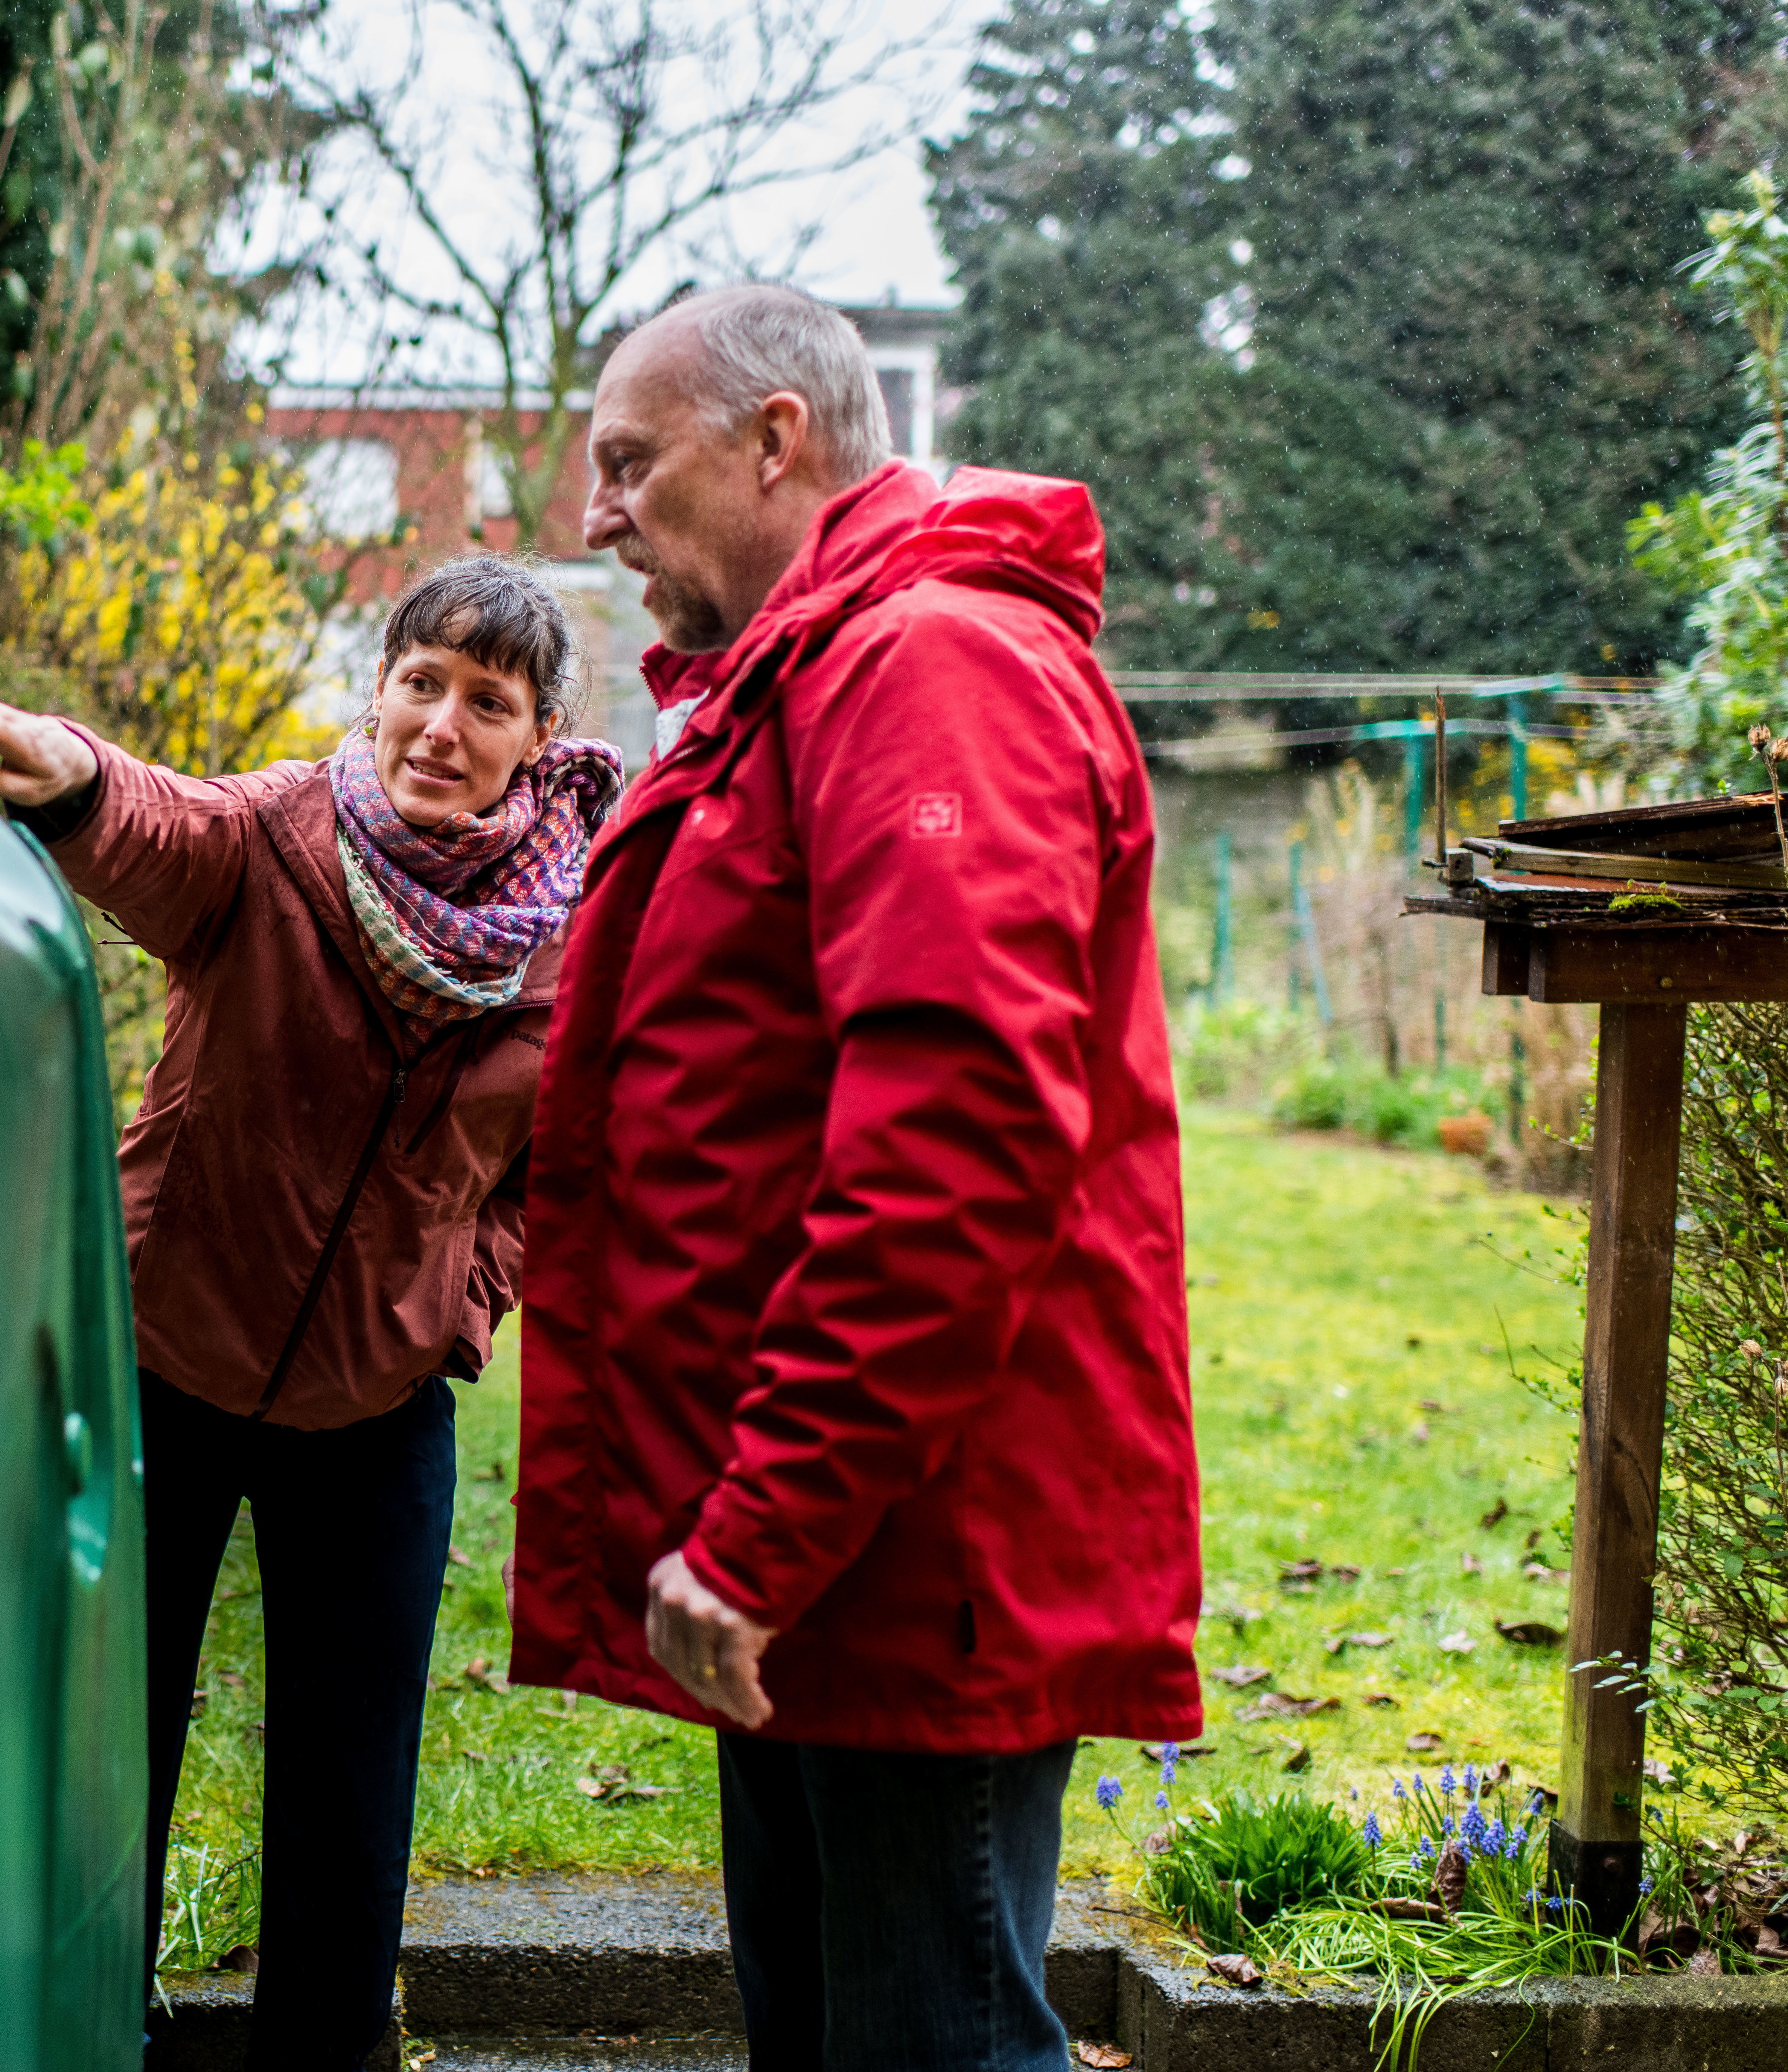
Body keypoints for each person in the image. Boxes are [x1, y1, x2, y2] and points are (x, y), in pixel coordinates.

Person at [507, 284, 1203, 2071]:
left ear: (775, 440)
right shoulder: (803, 677)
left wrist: (766, 1529)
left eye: (630, 463)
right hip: (828, 1549)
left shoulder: (927, 667)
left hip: (898, 1547)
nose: (598, 514)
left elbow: (955, 1142)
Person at [0, 558, 623, 2071]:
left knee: (351, 1775)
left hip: (378, 1403)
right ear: (378, 690)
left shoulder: (569, 944)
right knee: (108, 1740)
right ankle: (83, 2030)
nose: (443, 724)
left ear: (539, 734)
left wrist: (461, 1297)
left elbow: (552, 1173)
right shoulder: (276, 839)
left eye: (487, 701)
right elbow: (155, 822)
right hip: (163, 1361)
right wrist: (67, 772)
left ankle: (322, 2054)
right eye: (422, 682)